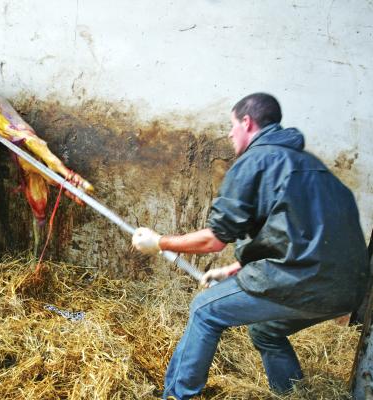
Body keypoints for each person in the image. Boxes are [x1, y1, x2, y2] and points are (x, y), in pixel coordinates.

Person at [132, 93, 370, 399]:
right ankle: (292, 394)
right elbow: (298, 236)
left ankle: (177, 395)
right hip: (348, 291)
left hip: (301, 281)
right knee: (265, 332)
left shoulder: (256, 161)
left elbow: (214, 240)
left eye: (232, 125)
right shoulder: (316, 169)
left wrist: (159, 242)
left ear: (247, 122)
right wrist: (236, 268)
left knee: (205, 310)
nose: (229, 134)